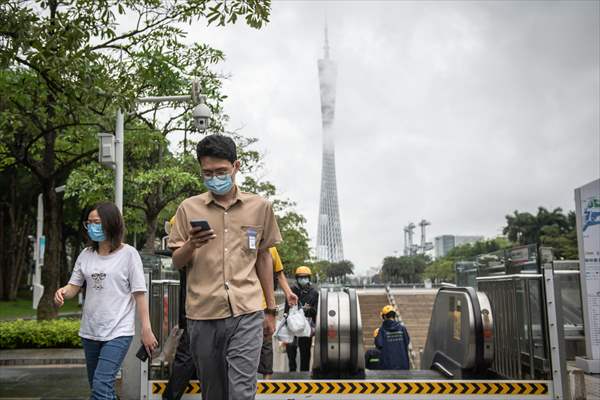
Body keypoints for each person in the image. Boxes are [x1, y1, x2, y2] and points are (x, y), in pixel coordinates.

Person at [168, 134, 282, 400]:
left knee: (242, 392)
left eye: (221, 171)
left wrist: (270, 309)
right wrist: (191, 244)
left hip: (247, 310)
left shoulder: (260, 207)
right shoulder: (188, 208)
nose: (214, 177)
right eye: (207, 172)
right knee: (213, 392)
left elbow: (264, 258)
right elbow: (177, 261)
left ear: (236, 166)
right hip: (203, 312)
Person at [54, 202, 158, 399]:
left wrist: (146, 329)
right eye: (89, 223)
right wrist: (63, 292)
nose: (92, 227)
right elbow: (74, 286)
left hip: (118, 331)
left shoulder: (129, 254)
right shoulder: (86, 255)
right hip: (90, 331)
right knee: (99, 386)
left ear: (111, 223)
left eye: (97, 222)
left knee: (101, 387)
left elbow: (139, 293)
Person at [258, 247, 298, 380]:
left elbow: (279, 274)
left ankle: (266, 379)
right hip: (243, 305)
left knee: (266, 343)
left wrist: (288, 293)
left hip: (264, 307)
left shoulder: (271, 249)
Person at [284, 266, 318, 372]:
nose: (303, 279)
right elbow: (286, 309)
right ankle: (292, 374)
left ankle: (305, 374)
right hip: (292, 325)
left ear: (309, 278)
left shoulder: (314, 293)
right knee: (291, 351)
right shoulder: (291, 291)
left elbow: (315, 311)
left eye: (305, 277)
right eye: (300, 277)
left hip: (306, 326)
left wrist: (305, 310)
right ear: (297, 278)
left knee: (305, 352)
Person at [375, 305, 411, 370]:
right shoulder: (402, 328)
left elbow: (379, 345)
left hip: (388, 367)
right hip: (403, 365)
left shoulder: (382, 330)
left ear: (384, 316)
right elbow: (407, 342)